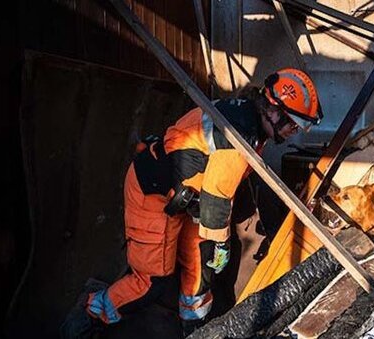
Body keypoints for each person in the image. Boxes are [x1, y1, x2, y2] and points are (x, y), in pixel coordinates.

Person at [61, 68, 322, 338]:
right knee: (151, 282)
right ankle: (91, 313)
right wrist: (219, 245)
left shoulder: (252, 123)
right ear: (274, 110)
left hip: (187, 200)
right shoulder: (240, 133)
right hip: (153, 194)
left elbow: (227, 185)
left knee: (199, 274)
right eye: (293, 123)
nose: (294, 131)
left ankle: (195, 329)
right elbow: (216, 197)